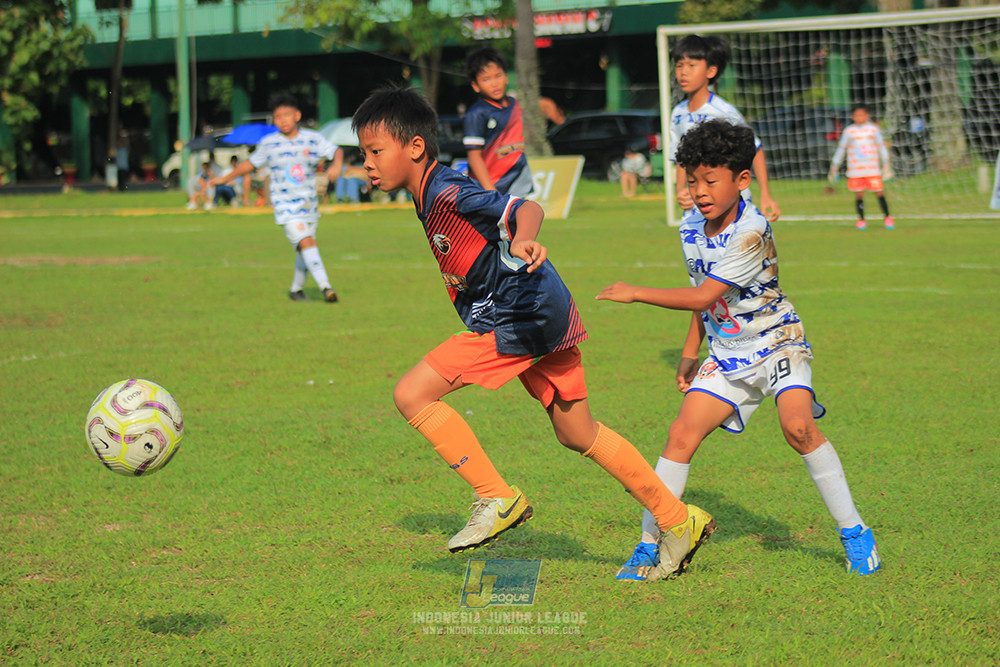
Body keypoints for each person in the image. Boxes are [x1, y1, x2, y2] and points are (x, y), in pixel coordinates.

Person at [352, 84, 715, 580]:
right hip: (544, 308)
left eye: (375, 151)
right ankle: (679, 519)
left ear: (415, 147)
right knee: (577, 432)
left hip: (520, 312)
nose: (367, 163)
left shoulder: (446, 189)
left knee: (412, 393)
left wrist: (523, 235)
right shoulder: (426, 193)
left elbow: (524, 207)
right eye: (364, 153)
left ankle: (496, 496)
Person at [597, 119, 881, 579]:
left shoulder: (752, 230)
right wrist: (691, 352)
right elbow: (703, 300)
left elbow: (702, 296)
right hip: (727, 353)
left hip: (777, 342)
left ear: (741, 180)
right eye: (692, 181)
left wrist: (634, 291)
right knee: (679, 435)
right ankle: (649, 545)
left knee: (798, 428)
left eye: (711, 181)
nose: (699, 191)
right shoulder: (691, 227)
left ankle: (854, 531)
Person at [212, 93, 343, 303]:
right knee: (307, 241)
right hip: (285, 208)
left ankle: (295, 290)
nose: (282, 120)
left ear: (297, 115)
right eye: (278, 116)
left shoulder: (312, 138)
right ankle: (326, 287)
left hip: (309, 205)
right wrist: (224, 178)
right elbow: (250, 164)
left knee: (305, 248)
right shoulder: (269, 143)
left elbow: (335, 151)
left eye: (286, 115)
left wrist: (336, 165)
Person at [669, 34, 780, 222]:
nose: (683, 72)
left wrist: (766, 194)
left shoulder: (723, 111)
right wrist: (681, 189)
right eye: (679, 66)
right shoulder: (678, 113)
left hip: (731, 205)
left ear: (711, 71)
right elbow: (682, 157)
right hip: (697, 204)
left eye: (691, 65)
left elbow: (755, 149)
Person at [462, 47, 534, 196]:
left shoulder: (516, 105)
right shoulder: (477, 113)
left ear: (506, 77)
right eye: (486, 79)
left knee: (523, 218)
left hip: (518, 181)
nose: (494, 83)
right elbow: (474, 156)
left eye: (498, 76)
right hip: (489, 187)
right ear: (475, 85)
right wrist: (490, 190)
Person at [828, 104, 894, 230]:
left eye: (861, 115)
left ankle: (887, 217)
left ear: (867, 116)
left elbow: (881, 147)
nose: (859, 117)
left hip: (872, 169)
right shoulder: (849, 131)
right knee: (859, 194)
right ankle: (862, 219)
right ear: (853, 117)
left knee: (879, 192)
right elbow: (841, 149)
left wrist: (886, 164)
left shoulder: (873, 130)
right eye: (856, 115)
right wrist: (834, 166)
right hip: (855, 170)